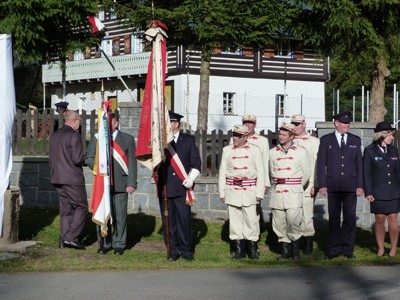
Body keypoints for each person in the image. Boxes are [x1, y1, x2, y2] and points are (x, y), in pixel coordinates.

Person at [85, 112, 138, 256]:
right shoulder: (97, 139)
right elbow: (89, 159)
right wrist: (99, 168)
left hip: (121, 184)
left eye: (110, 122)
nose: (107, 125)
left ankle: (119, 244)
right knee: (102, 213)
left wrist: (131, 183)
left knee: (120, 216)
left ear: (116, 123)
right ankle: (104, 242)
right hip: (102, 184)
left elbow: (133, 164)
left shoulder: (127, 139)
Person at [317, 111, 364, 259]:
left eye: (348, 122)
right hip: (333, 186)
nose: (347, 125)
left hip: (351, 186)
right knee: (334, 219)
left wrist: (360, 185)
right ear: (336, 123)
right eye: (344, 123)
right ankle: (333, 250)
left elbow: (359, 164)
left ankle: (348, 250)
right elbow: (321, 164)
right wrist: (322, 184)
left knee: (350, 219)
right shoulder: (326, 140)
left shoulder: (355, 140)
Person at [157, 111, 201, 261]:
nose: (168, 126)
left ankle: (186, 250)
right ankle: (173, 250)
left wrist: (191, 178)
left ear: (176, 124)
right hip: (165, 188)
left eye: (170, 123)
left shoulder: (188, 140)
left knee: (183, 221)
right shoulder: (160, 142)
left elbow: (196, 163)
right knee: (169, 222)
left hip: (182, 188)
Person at [219, 125, 265, 260]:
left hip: (250, 191)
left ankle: (252, 250)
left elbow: (261, 173)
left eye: (238, 136)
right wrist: (222, 192)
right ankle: (239, 249)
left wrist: (259, 193)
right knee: (235, 222)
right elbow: (222, 172)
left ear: (245, 137)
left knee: (251, 220)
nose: (234, 138)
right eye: (233, 135)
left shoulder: (255, 150)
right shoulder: (227, 150)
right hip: (233, 190)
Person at [269, 122, 310, 260]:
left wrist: (295, 187)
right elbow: (271, 173)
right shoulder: (272, 152)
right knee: (279, 223)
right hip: (277, 194)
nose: (280, 137)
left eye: (284, 134)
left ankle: (295, 251)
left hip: (293, 194)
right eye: (279, 134)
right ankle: (285, 251)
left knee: (293, 222)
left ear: (291, 136)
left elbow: (306, 174)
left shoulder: (301, 151)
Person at [49, 110, 87, 250]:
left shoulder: (55, 135)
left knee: (66, 210)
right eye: (80, 121)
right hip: (72, 178)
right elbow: (77, 159)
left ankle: (64, 239)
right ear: (75, 120)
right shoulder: (74, 135)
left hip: (57, 177)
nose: (80, 124)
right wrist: (87, 157)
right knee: (81, 207)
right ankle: (70, 237)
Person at [363, 121, 400, 257]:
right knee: (379, 218)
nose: (392, 137)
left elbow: (397, 171)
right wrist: (368, 191)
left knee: (393, 218)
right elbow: (366, 173)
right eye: (390, 135)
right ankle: (380, 248)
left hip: (394, 190)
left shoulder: (394, 150)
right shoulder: (369, 151)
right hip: (378, 191)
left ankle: (393, 248)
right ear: (382, 135)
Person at [291, 115, 320, 255]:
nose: (295, 127)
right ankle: (294, 242)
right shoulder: (289, 140)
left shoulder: (313, 141)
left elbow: (316, 164)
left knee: (307, 214)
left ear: (304, 125)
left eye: (297, 124)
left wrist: (315, 183)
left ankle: (307, 241)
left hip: (308, 183)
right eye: (293, 124)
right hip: (291, 184)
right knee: (292, 213)